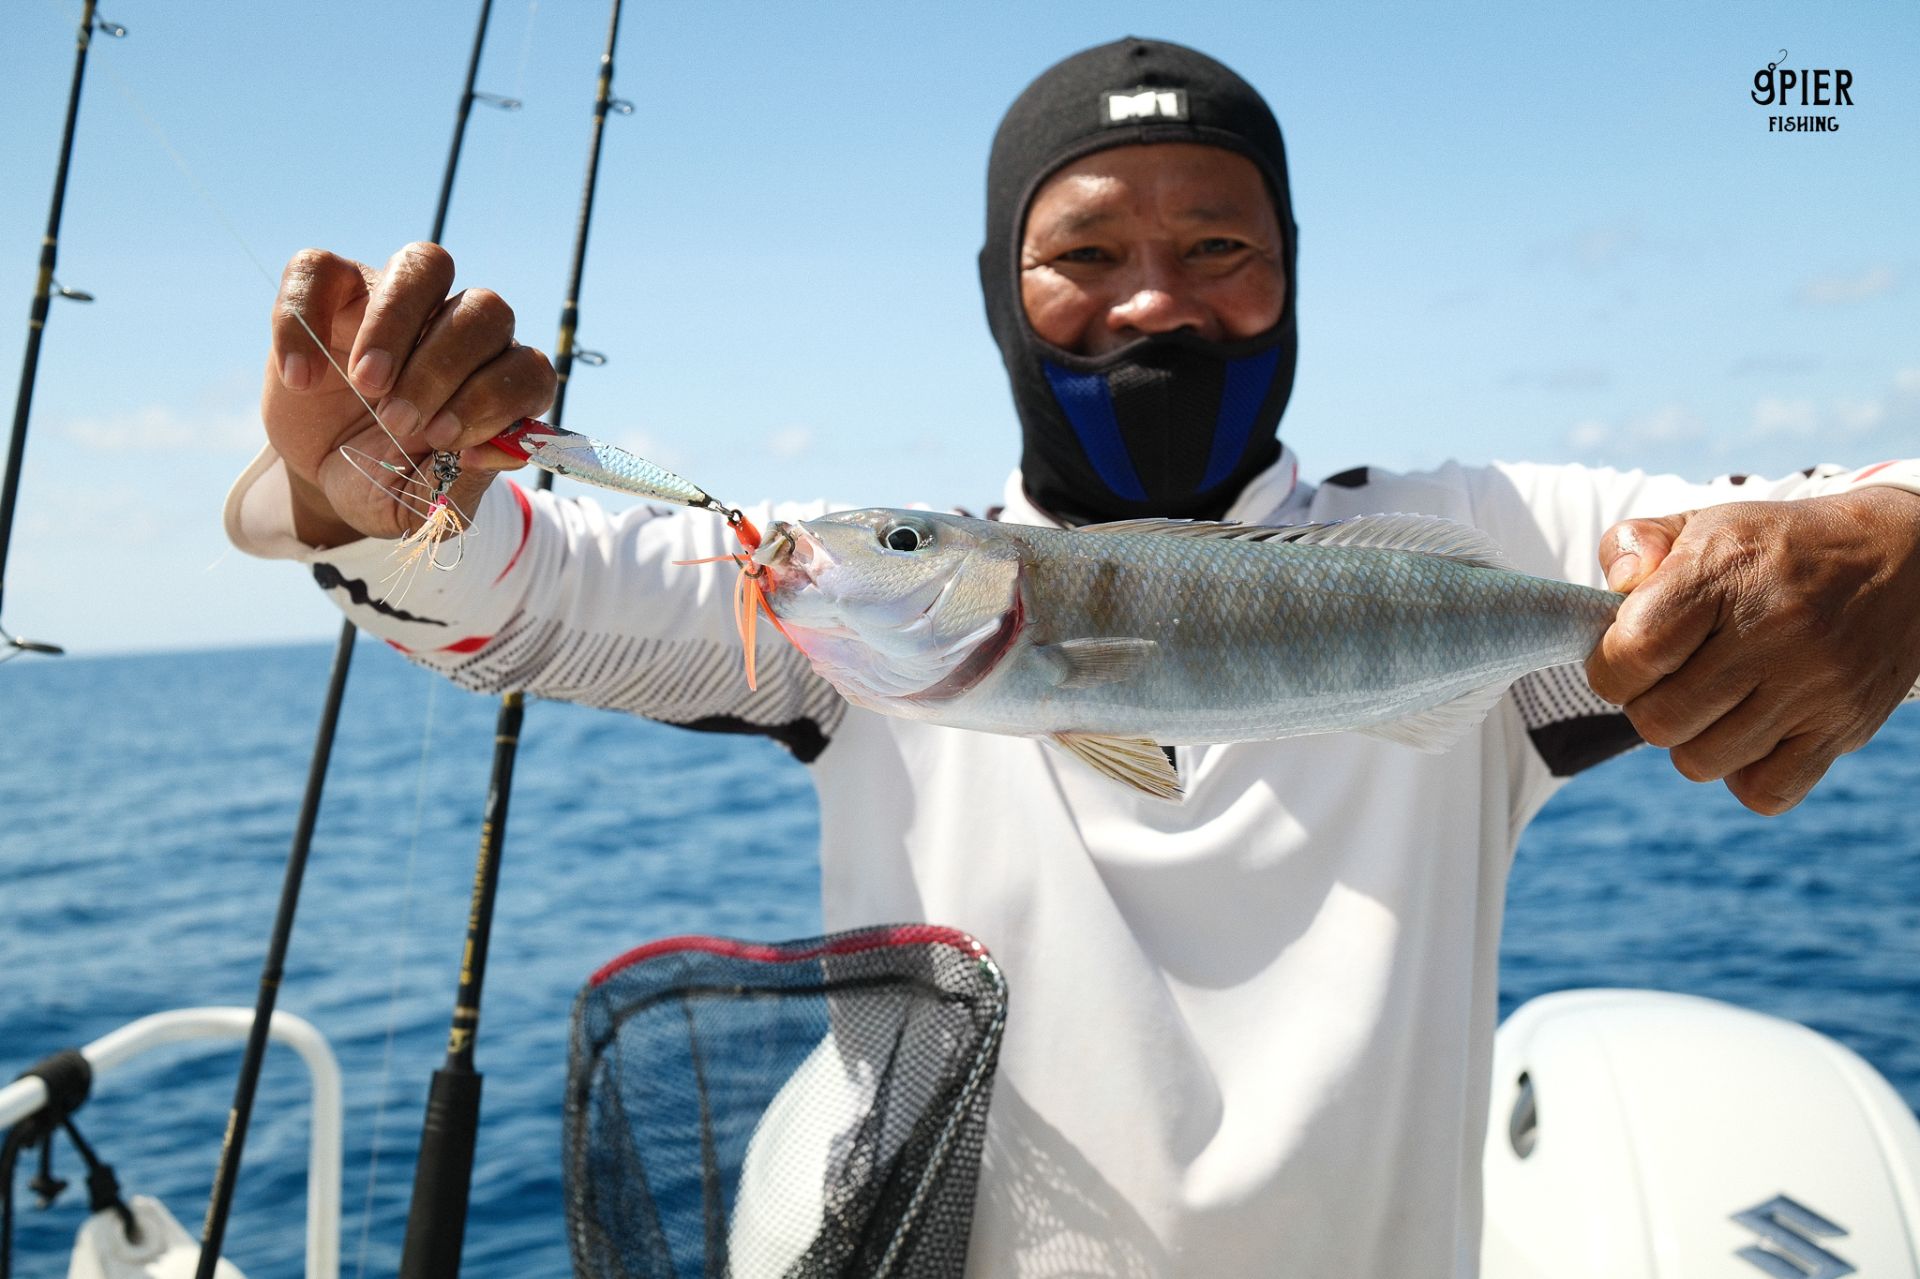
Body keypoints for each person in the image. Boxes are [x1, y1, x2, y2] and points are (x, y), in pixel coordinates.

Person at [227, 37, 1920, 1277]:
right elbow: (517, 581)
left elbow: (1824, 515)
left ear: (1292, 275)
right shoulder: (853, 609)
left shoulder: (1473, 535)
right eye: (1084, 254)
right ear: (1000, 288)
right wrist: (363, 487)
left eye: (1219, 250)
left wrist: (1895, 553)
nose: (1154, 307)